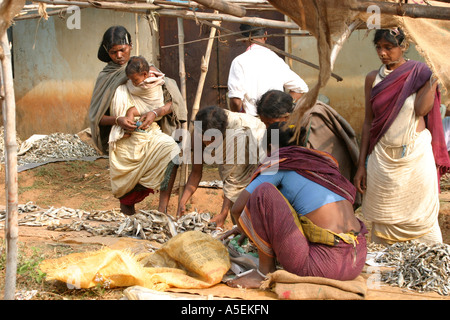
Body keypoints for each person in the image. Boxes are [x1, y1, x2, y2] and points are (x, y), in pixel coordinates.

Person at [225, 122, 367, 289]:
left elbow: (237, 209)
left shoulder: (279, 163)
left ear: (270, 147)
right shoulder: (320, 163)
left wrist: (246, 227)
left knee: (262, 193)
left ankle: (264, 273)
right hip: (356, 259)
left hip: (323, 266)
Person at [353, 28, 450, 245]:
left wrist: (433, 78)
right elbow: (369, 122)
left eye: (389, 47)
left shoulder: (419, 72)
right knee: (385, 222)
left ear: (403, 47)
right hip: (382, 160)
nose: (382, 53)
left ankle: (431, 264)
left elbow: (421, 110)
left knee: (423, 222)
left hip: (415, 158)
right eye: (378, 47)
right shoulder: (372, 78)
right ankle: (388, 272)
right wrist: (362, 165)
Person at [88, 26, 187, 215]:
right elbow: (96, 118)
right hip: (124, 140)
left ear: (130, 46)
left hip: (149, 133)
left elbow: (171, 102)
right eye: (113, 51)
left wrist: (154, 112)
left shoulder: (145, 70)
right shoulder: (106, 78)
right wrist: (119, 120)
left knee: (173, 151)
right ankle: (129, 219)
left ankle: (162, 210)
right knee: (126, 192)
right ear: (107, 53)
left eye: (122, 50)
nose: (118, 55)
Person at [256, 90, 360, 203]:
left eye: (270, 123)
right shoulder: (289, 124)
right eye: (265, 124)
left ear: (286, 116)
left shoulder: (313, 118)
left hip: (330, 186)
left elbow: (318, 164)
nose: (268, 128)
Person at [176, 106, 266, 229]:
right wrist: (182, 201)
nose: (208, 143)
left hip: (255, 150)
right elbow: (196, 173)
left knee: (245, 201)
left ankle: (252, 233)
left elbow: (233, 179)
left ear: (222, 133)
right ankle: (240, 229)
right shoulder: (198, 131)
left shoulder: (236, 136)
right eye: (206, 139)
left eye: (213, 139)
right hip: (235, 162)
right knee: (236, 204)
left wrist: (222, 214)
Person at [227, 22, 309, 116]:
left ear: (243, 39)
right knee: (274, 132)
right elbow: (301, 88)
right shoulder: (276, 60)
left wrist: (239, 113)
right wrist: (282, 106)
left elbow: (236, 102)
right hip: (273, 121)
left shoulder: (239, 61)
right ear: (265, 35)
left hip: (250, 123)